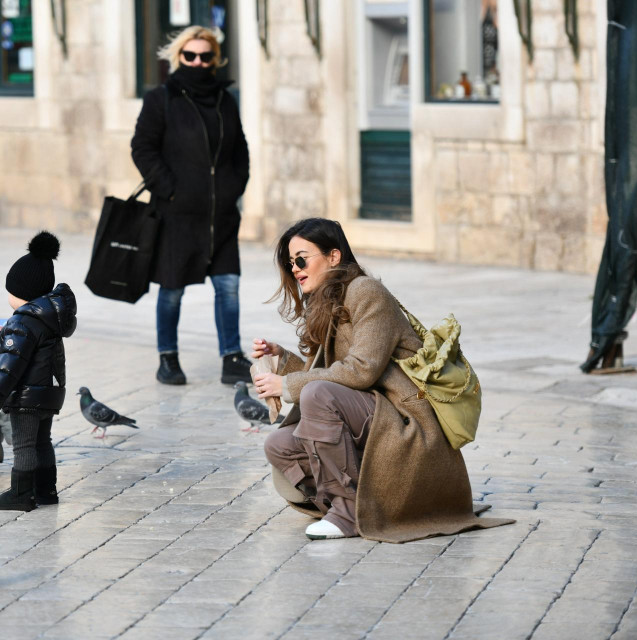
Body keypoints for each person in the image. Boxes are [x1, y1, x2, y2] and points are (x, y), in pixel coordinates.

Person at [253, 218, 514, 541]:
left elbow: (361, 370)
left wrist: (289, 387)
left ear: (334, 256)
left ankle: (348, 513)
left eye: (302, 258)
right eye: (290, 262)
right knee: (279, 445)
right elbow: (326, 371)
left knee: (317, 395)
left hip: (407, 423)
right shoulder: (326, 301)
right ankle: (353, 502)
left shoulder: (365, 292)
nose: (295, 268)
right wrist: (283, 360)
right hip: (371, 416)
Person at [131, 25, 251, 386]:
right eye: (190, 56)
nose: (198, 62)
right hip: (176, 215)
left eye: (205, 56)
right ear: (178, 57)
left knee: (228, 286)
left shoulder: (224, 99)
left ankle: (232, 356)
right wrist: (171, 190)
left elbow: (240, 149)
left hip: (222, 215)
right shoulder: (161, 98)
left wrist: (234, 187)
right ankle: (167, 357)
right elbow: (143, 148)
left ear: (215, 59)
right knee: (172, 290)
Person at [0, 232, 77, 511]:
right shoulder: (48, 318)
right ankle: (46, 490)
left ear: (21, 292)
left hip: (27, 396)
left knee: (23, 445)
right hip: (49, 394)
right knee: (43, 441)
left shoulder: (22, 321)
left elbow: (10, 365)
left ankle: (21, 495)